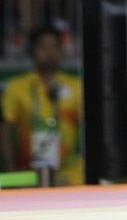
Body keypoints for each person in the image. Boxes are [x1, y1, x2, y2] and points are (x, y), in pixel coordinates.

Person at [0, 26, 83, 185]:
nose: (49, 52)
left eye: (55, 46)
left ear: (61, 51)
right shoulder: (16, 88)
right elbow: (6, 131)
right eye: (43, 46)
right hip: (29, 172)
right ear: (33, 51)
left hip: (71, 174)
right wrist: (12, 173)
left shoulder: (77, 86)